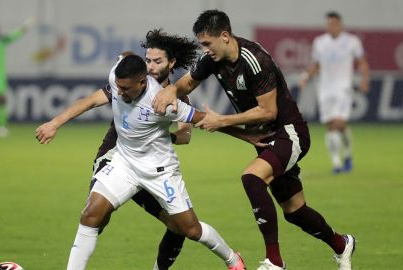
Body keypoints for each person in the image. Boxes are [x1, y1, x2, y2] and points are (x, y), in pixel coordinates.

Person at [152, 10, 356, 270]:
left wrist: (221, 120)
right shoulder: (212, 59)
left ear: (225, 36)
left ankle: (274, 261)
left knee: (252, 178)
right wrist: (170, 90)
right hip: (266, 138)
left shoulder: (254, 60)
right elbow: (189, 82)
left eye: (207, 43)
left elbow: (268, 111)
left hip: (289, 132)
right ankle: (342, 244)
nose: (205, 50)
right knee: (295, 211)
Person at [37, 53, 248, 270]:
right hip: (124, 164)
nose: (119, 92)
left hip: (160, 172)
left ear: (142, 81)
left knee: (191, 229)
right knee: (91, 215)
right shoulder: (118, 79)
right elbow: (90, 100)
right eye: (118, 87)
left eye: (126, 89)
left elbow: (205, 120)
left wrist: (251, 138)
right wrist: (54, 123)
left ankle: (233, 260)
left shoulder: (163, 102)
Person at [299, 11, 370, 174]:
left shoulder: (352, 41)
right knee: (331, 126)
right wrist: (305, 76)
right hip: (324, 88)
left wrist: (365, 80)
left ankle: (346, 155)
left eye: (333, 23)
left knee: (340, 123)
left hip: (343, 88)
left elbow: (362, 62)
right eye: (328, 24)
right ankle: (337, 163)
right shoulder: (320, 42)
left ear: (340, 24)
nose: (330, 26)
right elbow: (316, 64)